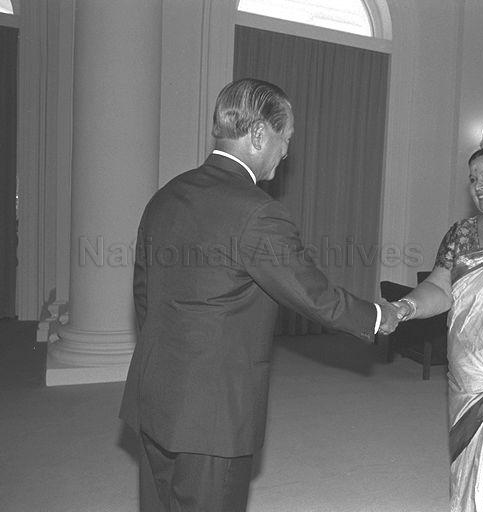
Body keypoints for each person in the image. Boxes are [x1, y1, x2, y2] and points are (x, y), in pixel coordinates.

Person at [119, 78, 400, 512]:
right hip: (212, 415)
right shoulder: (257, 211)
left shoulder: (165, 196)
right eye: (286, 138)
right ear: (258, 135)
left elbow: (145, 298)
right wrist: (378, 317)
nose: (286, 152)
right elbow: (313, 295)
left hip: (154, 397)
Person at [392, 145, 483, 512]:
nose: (478, 187)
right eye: (473, 179)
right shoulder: (461, 233)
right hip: (468, 366)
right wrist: (404, 307)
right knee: (470, 453)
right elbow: (440, 288)